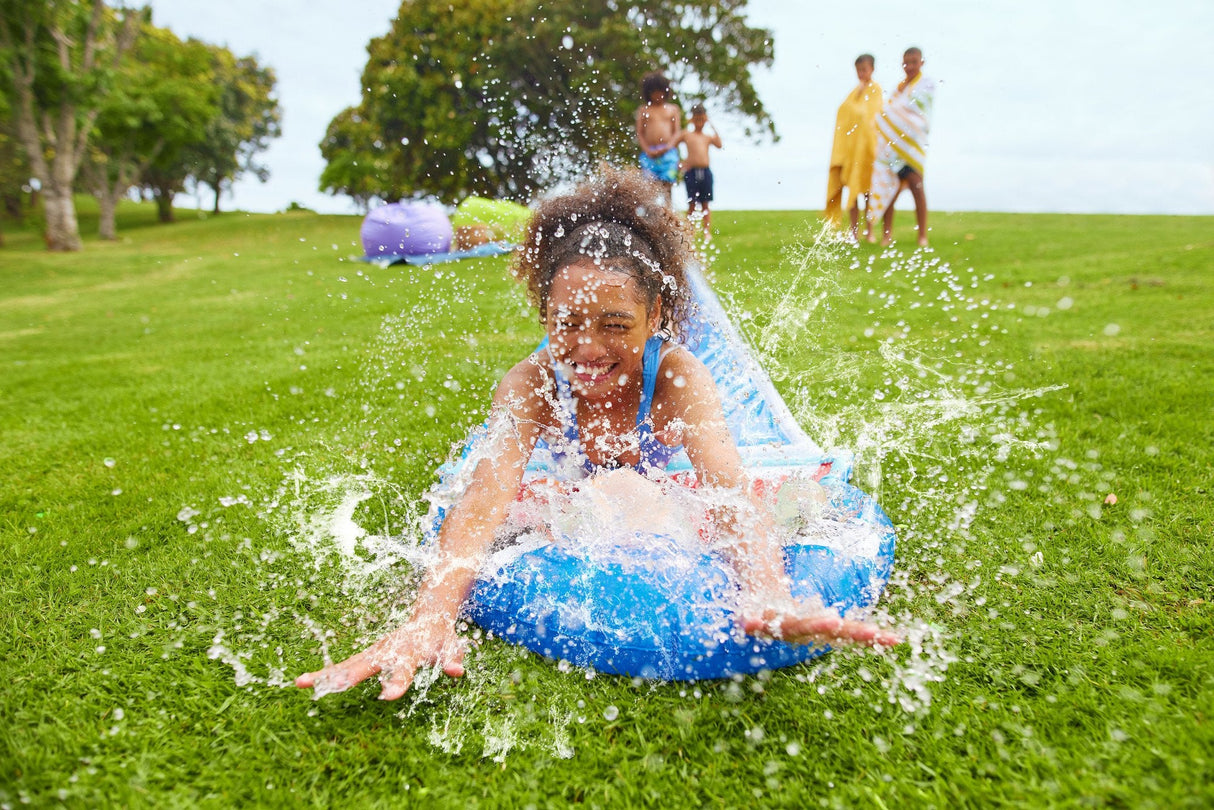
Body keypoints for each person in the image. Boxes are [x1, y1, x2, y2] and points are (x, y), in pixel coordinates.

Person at [295, 167, 900, 701]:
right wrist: (431, 614)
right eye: (567, 323)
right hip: (565, 478)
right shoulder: (532, 384)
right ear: (544, 314)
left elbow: (728, 490)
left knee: (768, 503)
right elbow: (485, 496)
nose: (587, 349)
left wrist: (768, 592)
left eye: (615, 325)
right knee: (557, 497)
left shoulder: (677, 378)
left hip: (656, 472)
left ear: (655, 316)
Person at [868, 47, 938, 247]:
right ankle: (886, 235)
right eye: (906, 62)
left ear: (921, 62)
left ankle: (922, 236)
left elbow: (917, 113)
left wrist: (895, 115)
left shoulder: (926, 84)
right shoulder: (898, 88)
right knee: (890, 191)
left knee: (917, 187)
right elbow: (888, 111)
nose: (910, 66)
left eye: (914, 62)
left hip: (912, 147)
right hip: (893, 150)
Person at [824, 54, 883, 242]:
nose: (861, 74)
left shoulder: (875, 89)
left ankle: (870, 231)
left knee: (867, 192)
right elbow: (844, 112)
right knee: (853, 193)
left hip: (867, 149)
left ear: (872, 69)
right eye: (858, 70)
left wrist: (855, 113)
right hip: (852, 151)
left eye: (864, 70)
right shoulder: (854, 92)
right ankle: (854, 232)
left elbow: (871, 115)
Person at [676, 103, 723, 240]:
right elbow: (673, 144)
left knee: (705, 203)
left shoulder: (707, 137)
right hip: (691, 171)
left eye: (702, 120)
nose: (699, 123)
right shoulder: (687, 134)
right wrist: (680, 162)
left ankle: (707, 231)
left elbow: (719, 144)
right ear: (692, 119)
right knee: (691, 203)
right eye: (697, 120)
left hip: (705, 171)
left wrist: (711, 124)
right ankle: (689, 231)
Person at [635, 71, 682, 203]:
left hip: (668, 153)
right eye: (654, 92)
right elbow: (640, 133)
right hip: (649, 153)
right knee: (649, 186)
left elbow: (676, 132)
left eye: (660, 92)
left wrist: (667, 147)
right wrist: (647, 150)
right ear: (648, 93)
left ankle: (668, 212)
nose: (658, 95)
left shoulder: (672, 109)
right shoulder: (644, 110)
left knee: (667, 186)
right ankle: (651, 213)